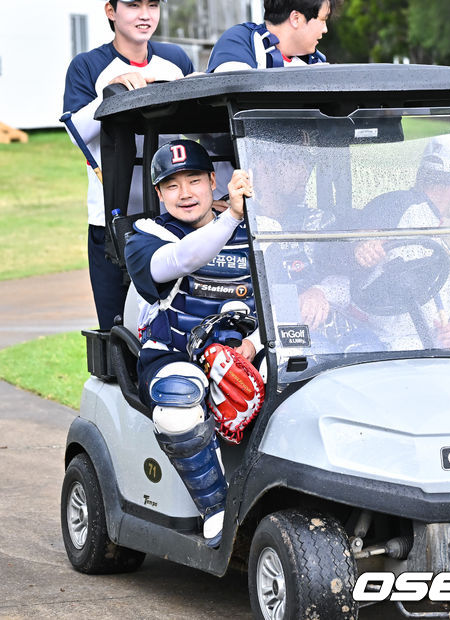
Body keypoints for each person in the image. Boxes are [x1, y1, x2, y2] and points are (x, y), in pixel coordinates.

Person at [124, 139, 259, 546]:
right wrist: (231, 217)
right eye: (171, 186)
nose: (185, 194)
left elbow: (281, 297)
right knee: (177, 398)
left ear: (213, 181)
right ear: (159, 194)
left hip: (244, 351)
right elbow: (180, 260)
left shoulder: (254, 227)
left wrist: (251, 347)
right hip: (174, 355)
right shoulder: (146, 235)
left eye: (195, 180)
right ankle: (218, 509)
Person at [63, 0, 194, 330]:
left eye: (153, 5)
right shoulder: (88, 65)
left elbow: (201, 131)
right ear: (111, 11)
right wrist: (115, 91)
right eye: (134, 5)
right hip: (110, 224)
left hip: (172, 220)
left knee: (173, 325)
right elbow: (75, 133)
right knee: (116, 332)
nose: (145, 15)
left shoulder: (176, 61)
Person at [300, 134, 450, 351]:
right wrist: (360, 247)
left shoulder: (432, 220)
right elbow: (350, 242)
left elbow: (445, 285)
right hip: (391, 341)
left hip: (428, 339)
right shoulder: (397, 206)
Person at [207, 0, 339, 73]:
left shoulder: (314, 60)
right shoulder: (238, 41)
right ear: (296, 18)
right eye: (323, 19)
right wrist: (305, 78)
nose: (325, 29)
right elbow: (234, 86)